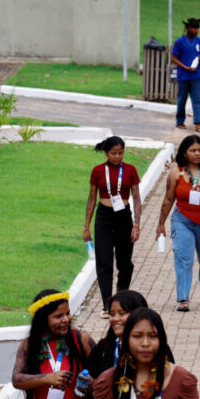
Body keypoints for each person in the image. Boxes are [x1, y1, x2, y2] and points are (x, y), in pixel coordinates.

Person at [158, 134, 200, 312]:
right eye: (193, 150)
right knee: (183, 258)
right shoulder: (176, 173)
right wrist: (161, 224)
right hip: (182, 220)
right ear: (184, 153)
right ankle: (183, 298)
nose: (197, 154)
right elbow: (168, 198)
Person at [84, 136, 142, 318]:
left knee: (125, 263)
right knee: (104, 262)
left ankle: (121, 299)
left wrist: (136, 224)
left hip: (124, 216)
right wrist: (86, 226)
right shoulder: (98, 171)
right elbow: (92, 198)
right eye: (113, 153)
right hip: (104, 217)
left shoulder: (130, 170)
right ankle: (107, 304)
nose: (118, 157)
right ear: (106, 153)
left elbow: (137, 198)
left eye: (121, 153)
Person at [87, 290, 149, 381]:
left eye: (122, 313)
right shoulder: (102, 348)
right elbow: (91, 378)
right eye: (112, 314)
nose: (115, 319)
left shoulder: (154, 349)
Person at [171, 18, 200, 132]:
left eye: (198, 28)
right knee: (182, 99)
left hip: (196, 75)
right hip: (183, 76)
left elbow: (197, 55)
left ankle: (197, 123)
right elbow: (173, 58)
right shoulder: (179, 42)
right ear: (188, 28)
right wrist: (185, 67)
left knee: (197, 99)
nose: (197, 30)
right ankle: (180, 121)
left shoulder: (198, 41)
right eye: (194, 28)